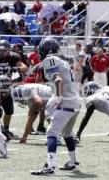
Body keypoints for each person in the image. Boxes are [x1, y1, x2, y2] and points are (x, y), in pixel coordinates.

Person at [30, 37, 80, 175]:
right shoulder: (62, 61)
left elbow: (57, 80)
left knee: (51, 132)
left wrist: (58, 98)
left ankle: (50, 167)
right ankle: (73, 162)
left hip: (66, 101)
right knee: (67, 133)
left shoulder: (49, 60)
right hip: (75, 101)